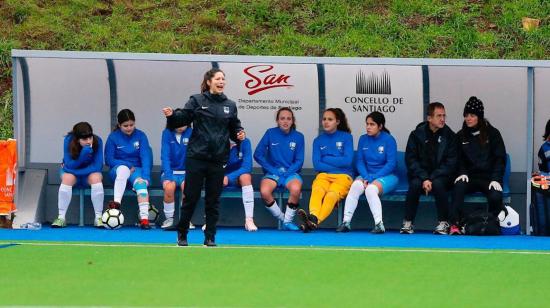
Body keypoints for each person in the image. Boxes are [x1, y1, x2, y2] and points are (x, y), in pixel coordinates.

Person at [163, 68, 245, 247]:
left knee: (213, 200)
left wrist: (239, 133)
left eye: (223, 78)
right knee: (190, 197)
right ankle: (182, 234)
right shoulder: (197, 100)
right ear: (209, 82)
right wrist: (171, 116)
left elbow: (234, 129)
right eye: (218, 78)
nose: (221, 81)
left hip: (218, 159)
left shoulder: (230, 105)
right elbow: (181, 118)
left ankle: (210, 237)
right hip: (197, 158)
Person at [449, 96, 507, 235]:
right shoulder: (460, 135)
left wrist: (496, 178)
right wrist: (462, 172)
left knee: (495, 196)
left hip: (488, 178)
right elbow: (459, 158)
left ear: (479, 117)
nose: (468, 118)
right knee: (458, 188)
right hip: (470, 177)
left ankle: (492, 223)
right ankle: (456, 224)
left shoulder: (493, 133)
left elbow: (500, 158)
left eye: (472, 115)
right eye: (466, 115)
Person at [400, 102, 457, 235]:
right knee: (414, 184)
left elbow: (450, 163)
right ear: (429, 118)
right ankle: (408, 222)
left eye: (444, 116)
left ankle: (443, 223)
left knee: (437, 184)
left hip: (442, 177)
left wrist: (430, 178)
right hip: (421, 176)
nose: (442, 119)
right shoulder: (416, 135)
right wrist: (424, 178)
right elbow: (411, 160)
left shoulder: (450, 136)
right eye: (438, 116)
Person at [336, 112, 398, 233]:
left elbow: (391, 164)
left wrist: (373, 178)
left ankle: (379, 224)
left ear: (380, 126)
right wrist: (366, 177)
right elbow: (359, 161)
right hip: (367, 175)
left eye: (372, 124)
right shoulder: (363, 139)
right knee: (355, 186)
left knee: (370, 189)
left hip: (387, 176)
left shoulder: (389, 140)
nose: (368, 127)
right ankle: (346, 222)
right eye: (367, 124)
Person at [297, 108, 353, 232]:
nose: (326, 122)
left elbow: (347, 161)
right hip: (323, 175)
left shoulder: (347, 137)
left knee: (331, 195)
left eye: (330, 119)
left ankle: (313, 221)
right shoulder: (318, 141)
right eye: (324, 119)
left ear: (337, 122)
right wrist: (337, 162)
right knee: (317, 190)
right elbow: (317, 165)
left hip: (344, 177)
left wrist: (326, 158)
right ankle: (313, 221)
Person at [254, 107, 305, 231]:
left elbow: (299, 160)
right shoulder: (270, 133)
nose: (285, 121)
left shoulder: (299, 136)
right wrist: (272, 170)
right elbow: (257, 154)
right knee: (265, 191)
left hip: (290, 173)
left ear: (293, 121)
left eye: (288, 118)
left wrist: (287, 173)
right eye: (282, 118)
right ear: (277, 120)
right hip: (273, 173)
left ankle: (287, 221)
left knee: (296, 189)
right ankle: (284, 219)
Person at [105, 109, 153, 229]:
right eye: (125, 126)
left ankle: (145, 219)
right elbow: (109, 160)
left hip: (137, 171)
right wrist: (126, 164)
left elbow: (146, 157)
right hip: (117, 170)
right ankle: (116, 205)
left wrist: (146, 178)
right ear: (119, 125)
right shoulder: (113, 137)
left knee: (141, 185)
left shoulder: (141, 136)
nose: (129, 128)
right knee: (123, 169)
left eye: (131, 125)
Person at [52, 122, 104, 228]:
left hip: (87, 174)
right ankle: (61, 217)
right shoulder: (68, 140)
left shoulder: (98, 141)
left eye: (90, 138)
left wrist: (72, 170)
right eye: (84, 139)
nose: (89, 142)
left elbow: (97, 167)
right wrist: (81, 157)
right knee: (67, 177)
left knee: (96, 177)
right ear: (77, 139)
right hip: (72, 174)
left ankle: (98, 217)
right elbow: (70, 164)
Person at [160, 109, 194, 230]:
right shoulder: (166, 133)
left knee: (188, 189)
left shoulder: (191, 132)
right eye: (177, 125)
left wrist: (191, 174)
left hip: (187, 172)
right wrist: (168, 177)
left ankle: (186, 219)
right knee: (169, 188)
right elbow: (165, 156)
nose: (181, 128)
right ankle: (169, 219)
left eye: (183, 125)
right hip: (170, 172)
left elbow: (194, 155)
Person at [224, 137, 257, 231]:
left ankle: (249, 220)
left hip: (238, 177)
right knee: (214, 178)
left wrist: (229, 177)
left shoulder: (245, 142)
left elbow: (247, 167)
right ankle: (209, 220)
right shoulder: (217, 140)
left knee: (246, 177)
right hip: (222, 175)